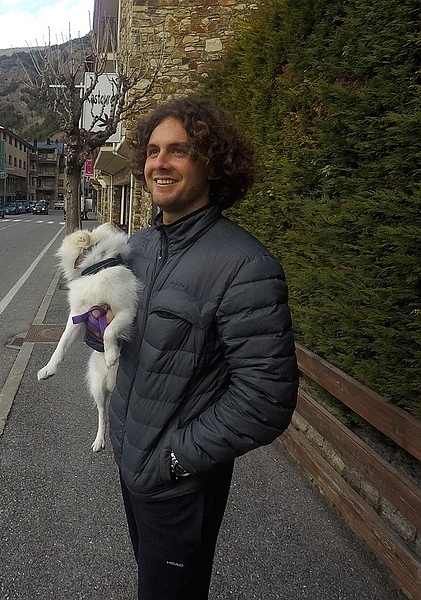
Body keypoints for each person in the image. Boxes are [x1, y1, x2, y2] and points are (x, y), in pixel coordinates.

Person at [105, 96, 299, 599]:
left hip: (177, 484)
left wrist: (173, 460)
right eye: (151, 150)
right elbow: (135, 344)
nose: (159, 163)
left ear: (212, 163)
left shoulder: (245, 265)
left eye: (179, 151)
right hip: (132, 466)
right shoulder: (139, 248)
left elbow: (265, 399)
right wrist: (98, 326)